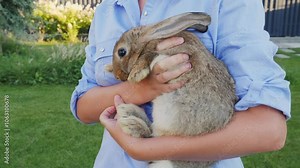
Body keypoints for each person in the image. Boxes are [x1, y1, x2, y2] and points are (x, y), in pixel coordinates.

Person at [70, 0, 291, 167]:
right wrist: (142, 89)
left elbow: (269, 129)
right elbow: (83, 106)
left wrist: (146, 149)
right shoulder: (108, 9)